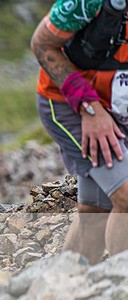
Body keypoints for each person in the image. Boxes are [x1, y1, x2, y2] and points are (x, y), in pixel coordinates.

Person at [31, 0, 128, 264]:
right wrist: (89, 107)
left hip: (118, 106)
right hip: (68, 103)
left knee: (95, 210)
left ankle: (67, 287)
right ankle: (121, 294)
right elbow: (42, 44)